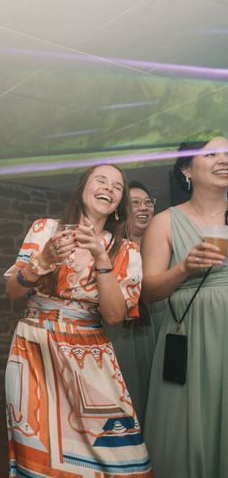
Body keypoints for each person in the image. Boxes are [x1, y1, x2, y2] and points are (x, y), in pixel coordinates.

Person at [3, 164, 152, 477]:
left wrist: (101, 258)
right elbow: (12, 291)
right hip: (34, 348)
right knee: (41, 454)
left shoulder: (125, 250)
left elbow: (114, 316)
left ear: (119, 202)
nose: (108, 189)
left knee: (122, 453)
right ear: (83, 186)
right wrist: (40, 263)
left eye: (116, 187)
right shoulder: (45, 229)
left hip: (90, 356)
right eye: (101, 180)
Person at [141, 131, 228, 477]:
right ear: (186, 170)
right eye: (212, 154)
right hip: (191, 334)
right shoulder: (165, 222)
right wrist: (184, 268)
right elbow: (147, 291)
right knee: (190, 423)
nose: (224, 160)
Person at [104, 181, 157, 425]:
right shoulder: (110, 247)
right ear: (121, 209)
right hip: (121, 333)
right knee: (128, 395)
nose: (144, 207)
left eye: (148, 202)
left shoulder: (162, 245)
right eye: (135, 202)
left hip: (160, 326)